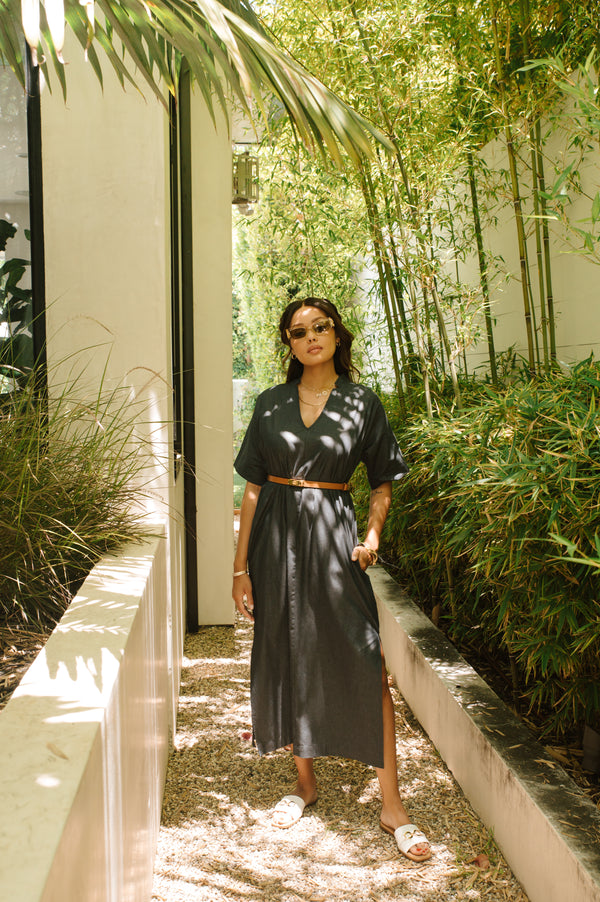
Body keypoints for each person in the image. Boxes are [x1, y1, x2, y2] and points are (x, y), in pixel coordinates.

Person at [232, 297, 431, 863]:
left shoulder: (362, 404)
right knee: (289, 651)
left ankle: (392, 804)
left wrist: (372, 536)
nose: (311, 337)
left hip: (336, 540)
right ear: (289, 344)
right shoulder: (270, 404)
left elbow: (383, 480)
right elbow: (250, 488)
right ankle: (305, 783)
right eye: (298, 331)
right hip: (275, 540)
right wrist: (240, 567)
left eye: (321, 327)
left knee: (369, 664)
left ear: (338, 334)